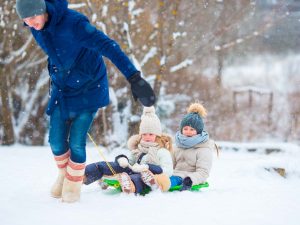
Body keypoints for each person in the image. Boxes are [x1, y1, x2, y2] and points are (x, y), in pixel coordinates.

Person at [15, 0, 156, 203]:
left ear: (43, 9)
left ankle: (72, 186)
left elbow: (108, 46)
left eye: (33, 17)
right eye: (26, 20)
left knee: (77, 142)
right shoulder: (36, 27)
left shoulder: (74, 23)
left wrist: (134, 77)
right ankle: (65, 175)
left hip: (89, 87)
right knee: (55, 140)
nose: (31, 23)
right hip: (63, 89)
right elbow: (57, 52)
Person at [84, 106, 173, 194]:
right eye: (144, 134)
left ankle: (129, 185)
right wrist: (122, 160)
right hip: (132, 170)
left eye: (151, 134)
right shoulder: (139, 148)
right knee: (109, 165)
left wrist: (148, 167)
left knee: (140, 177)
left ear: (157, 135)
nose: (147, 137)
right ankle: (84, 175)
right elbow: (130, 162)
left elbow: (168, 170)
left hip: (149, 176)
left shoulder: (162, 151)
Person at [168, 103, 217, 191]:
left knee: (168, 182)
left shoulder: (204, 149)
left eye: (192, 129)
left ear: (198, 131)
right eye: (185, 129)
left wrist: (190, 180)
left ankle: (163, 184)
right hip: (173, 175)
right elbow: (169, 165)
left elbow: (203, 172)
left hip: (187, 178)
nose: (188, 132)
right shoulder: (176, 147)